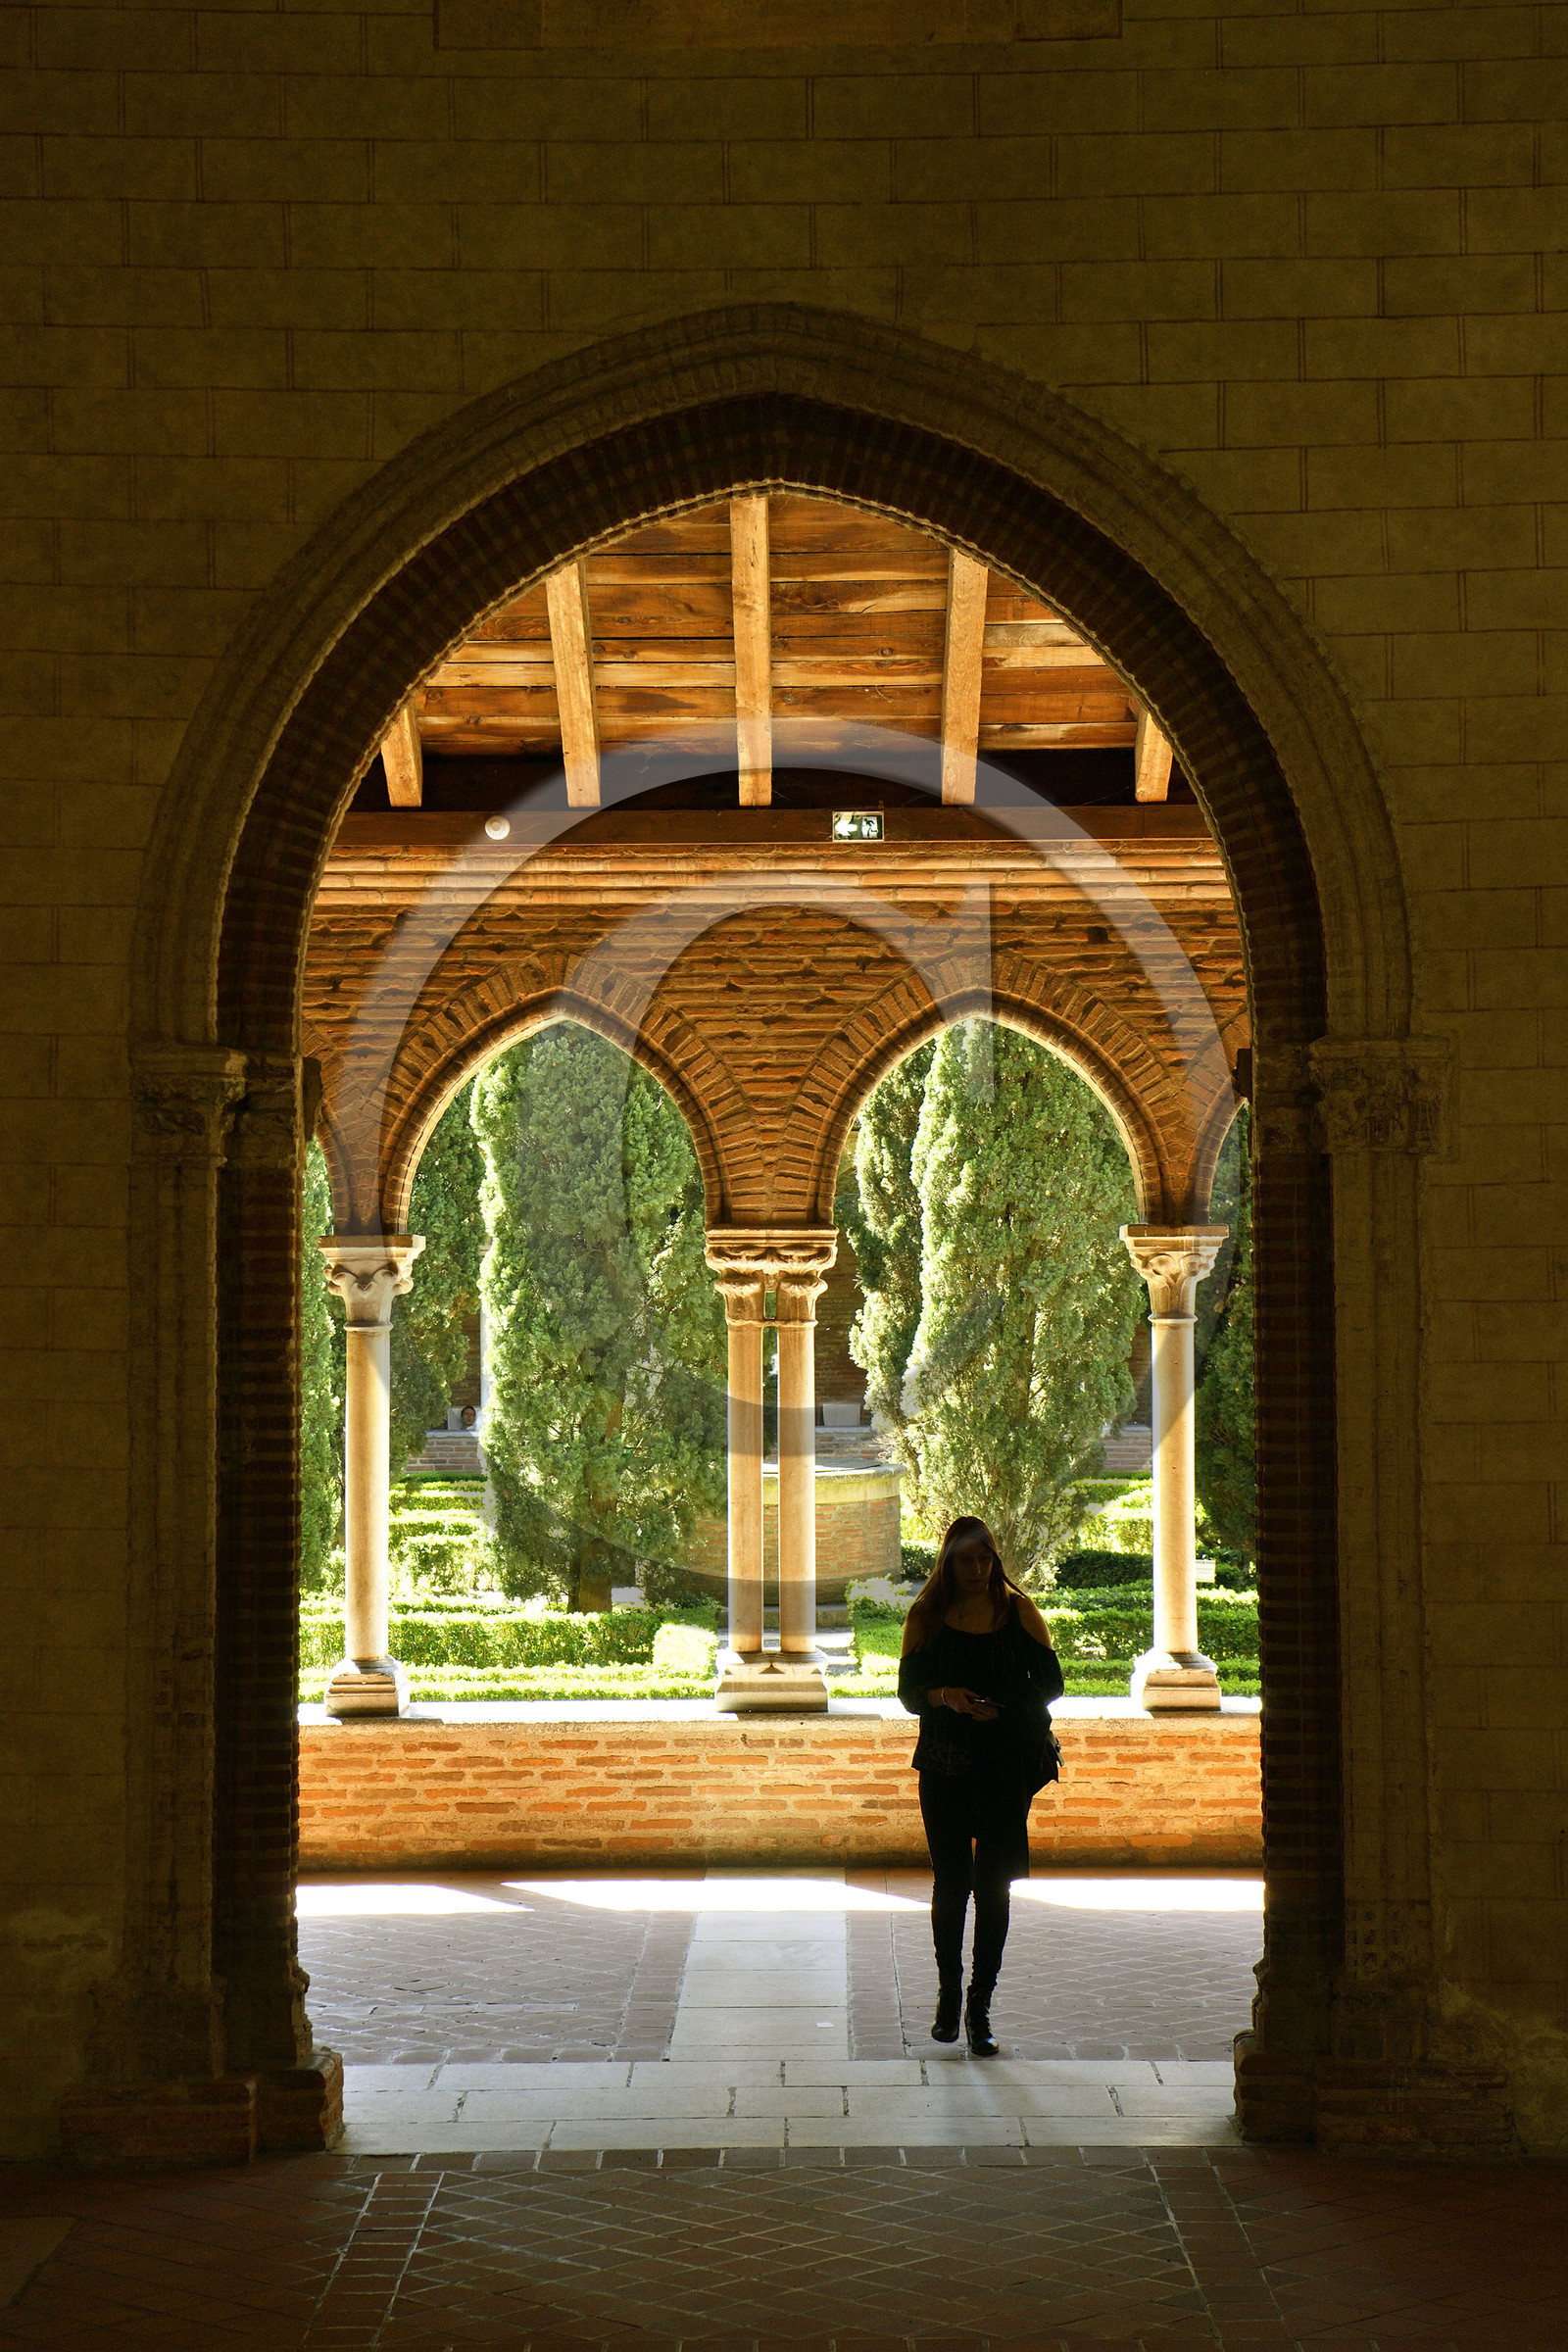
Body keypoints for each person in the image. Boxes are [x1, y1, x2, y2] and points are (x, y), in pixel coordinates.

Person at [898, 1516, 1064, 2056]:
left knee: (994, 1886)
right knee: (950, 1884)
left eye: (984, 1559)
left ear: (995, 1561)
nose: (976, 1569)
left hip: (1002, 1765)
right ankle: (948, 1995)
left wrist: (1002, 1706)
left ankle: (979, 2005)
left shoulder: (1017, 1610)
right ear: (947, 1562)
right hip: (945, 1764)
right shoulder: (926, 1616)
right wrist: (946, 1695)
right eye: (965, 1560)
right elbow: (908, 1693)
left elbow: (1053, 1685)